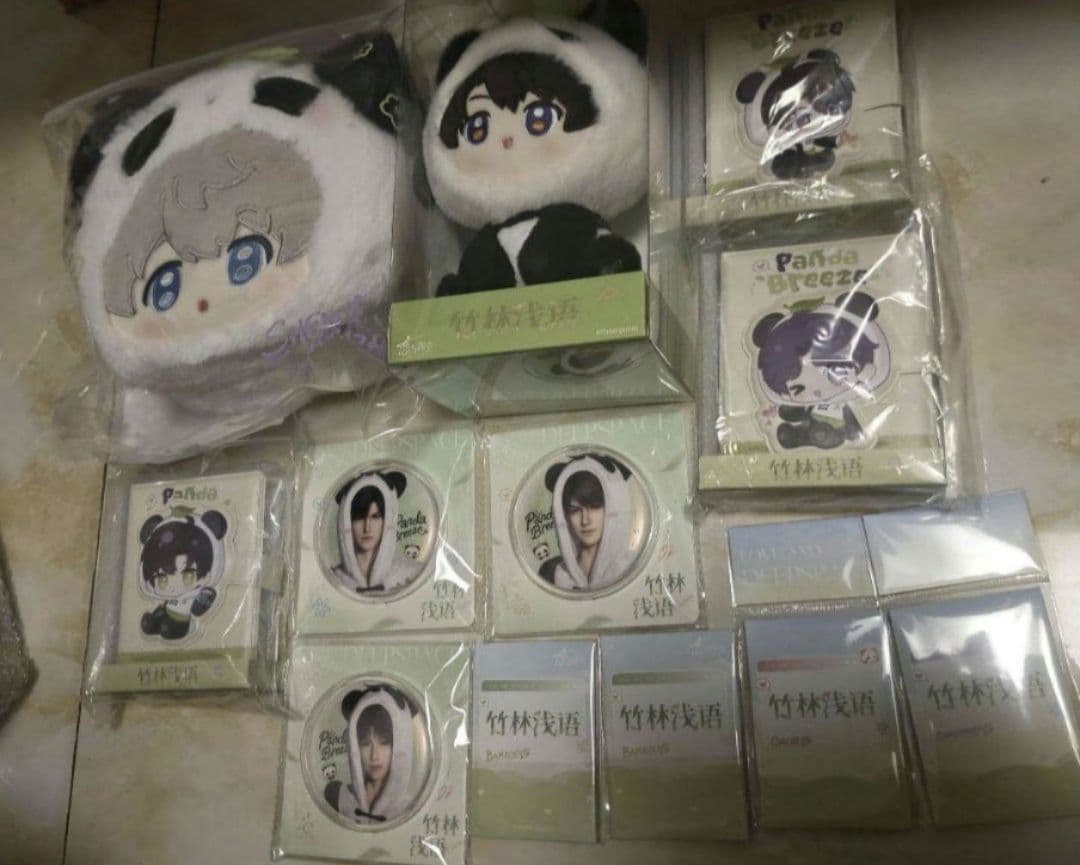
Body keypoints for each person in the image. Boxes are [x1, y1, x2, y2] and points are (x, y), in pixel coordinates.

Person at [539, 454, 635, 592]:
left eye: (594, 507)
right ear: (564, 516)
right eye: (575, 510)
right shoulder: (551, 574)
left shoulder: (632, 568)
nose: (585, 520)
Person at [324, 686, 418, 824]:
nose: (374, 756)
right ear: (354, 746)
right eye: (365, 744)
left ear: (400, 747)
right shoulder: (339, 798)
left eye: (384, 743)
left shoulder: (409, 808)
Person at [333, 471, 424, 595]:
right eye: (359, 518)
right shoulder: (333, 579)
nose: (367, 527)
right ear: (346, 523)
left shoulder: (412, 573)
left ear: (387, 520)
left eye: (375, 517)